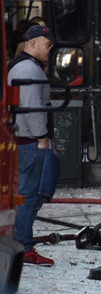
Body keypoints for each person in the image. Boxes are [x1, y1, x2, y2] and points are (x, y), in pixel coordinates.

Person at [7, 25, 56, 266]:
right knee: (31, 195)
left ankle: (19, 241)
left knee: (24, 195)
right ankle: (24, 246)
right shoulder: (29, 69)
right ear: (33, 43)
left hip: (22, 140)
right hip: (30, 142)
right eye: (47, 45)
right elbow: (32, 108)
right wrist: (42, 139)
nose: (50, 50)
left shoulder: (22, 66)